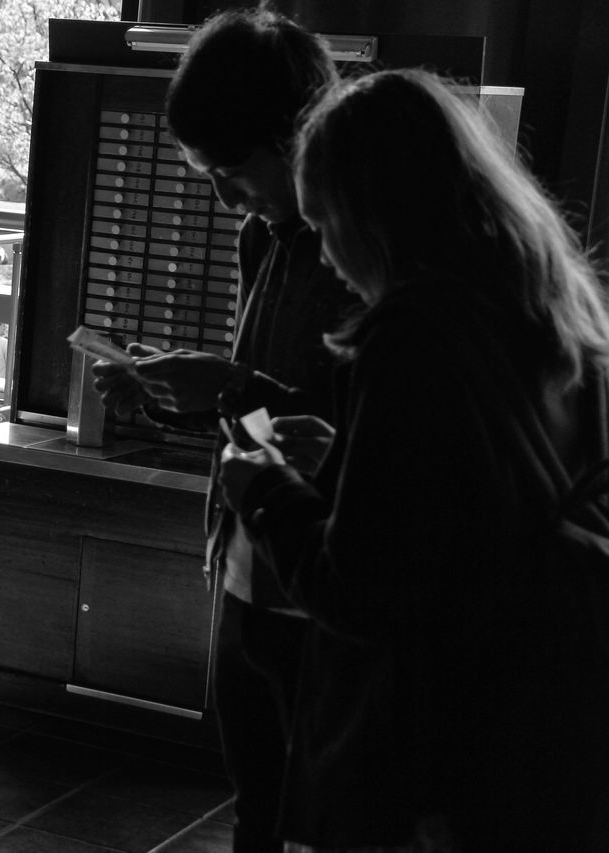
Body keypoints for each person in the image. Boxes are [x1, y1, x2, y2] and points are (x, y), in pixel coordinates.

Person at [219, 68, 609, 851]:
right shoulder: (557, 313)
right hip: (537, 734)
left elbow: (360, 589)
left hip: (428, 756)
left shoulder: (413, 334)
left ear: (377, 216)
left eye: (326, 224)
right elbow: (487, 507)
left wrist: (261, 488)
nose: (326, 257)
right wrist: (344, 459)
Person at [91, 9, 349, 852]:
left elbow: (347, 435)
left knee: (315, 814)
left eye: (233, 170)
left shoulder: (362, 254)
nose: (222, 195)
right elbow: (265, 419)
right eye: (203, 171)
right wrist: (178, 396)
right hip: (243, 549)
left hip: (323, 577)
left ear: (302, 139)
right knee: (255, 801)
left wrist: (230, 384)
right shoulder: (258, 237)